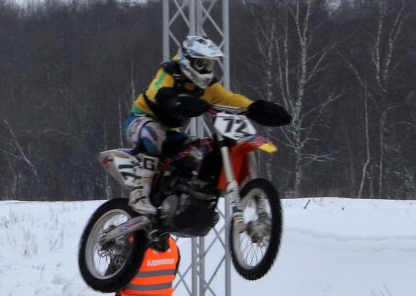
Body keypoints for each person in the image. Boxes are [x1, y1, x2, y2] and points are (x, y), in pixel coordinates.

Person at [124, 34, 291, 215]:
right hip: (140, 120)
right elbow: (157, 90)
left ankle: (184, 196)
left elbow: (229, 98)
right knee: (154, 133)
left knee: (197, 151)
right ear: (188, 60)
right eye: (201, 64)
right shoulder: (170, 72)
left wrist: (254, 107)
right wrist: (176, 100)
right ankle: (139, 193)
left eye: (209, 64)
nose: (206, 68)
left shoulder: (207, 87)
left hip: (171, 133)